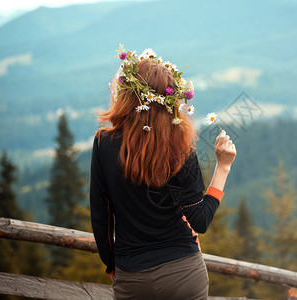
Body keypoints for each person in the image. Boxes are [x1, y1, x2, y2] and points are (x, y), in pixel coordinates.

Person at [89, 46, 236, 300]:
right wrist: (222, 166)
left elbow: (101, 218)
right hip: (184, 273)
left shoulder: (104, 143)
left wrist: (113, 266)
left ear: (129, 96)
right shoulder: (180, 146)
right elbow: (199, 220)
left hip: (131, 275)